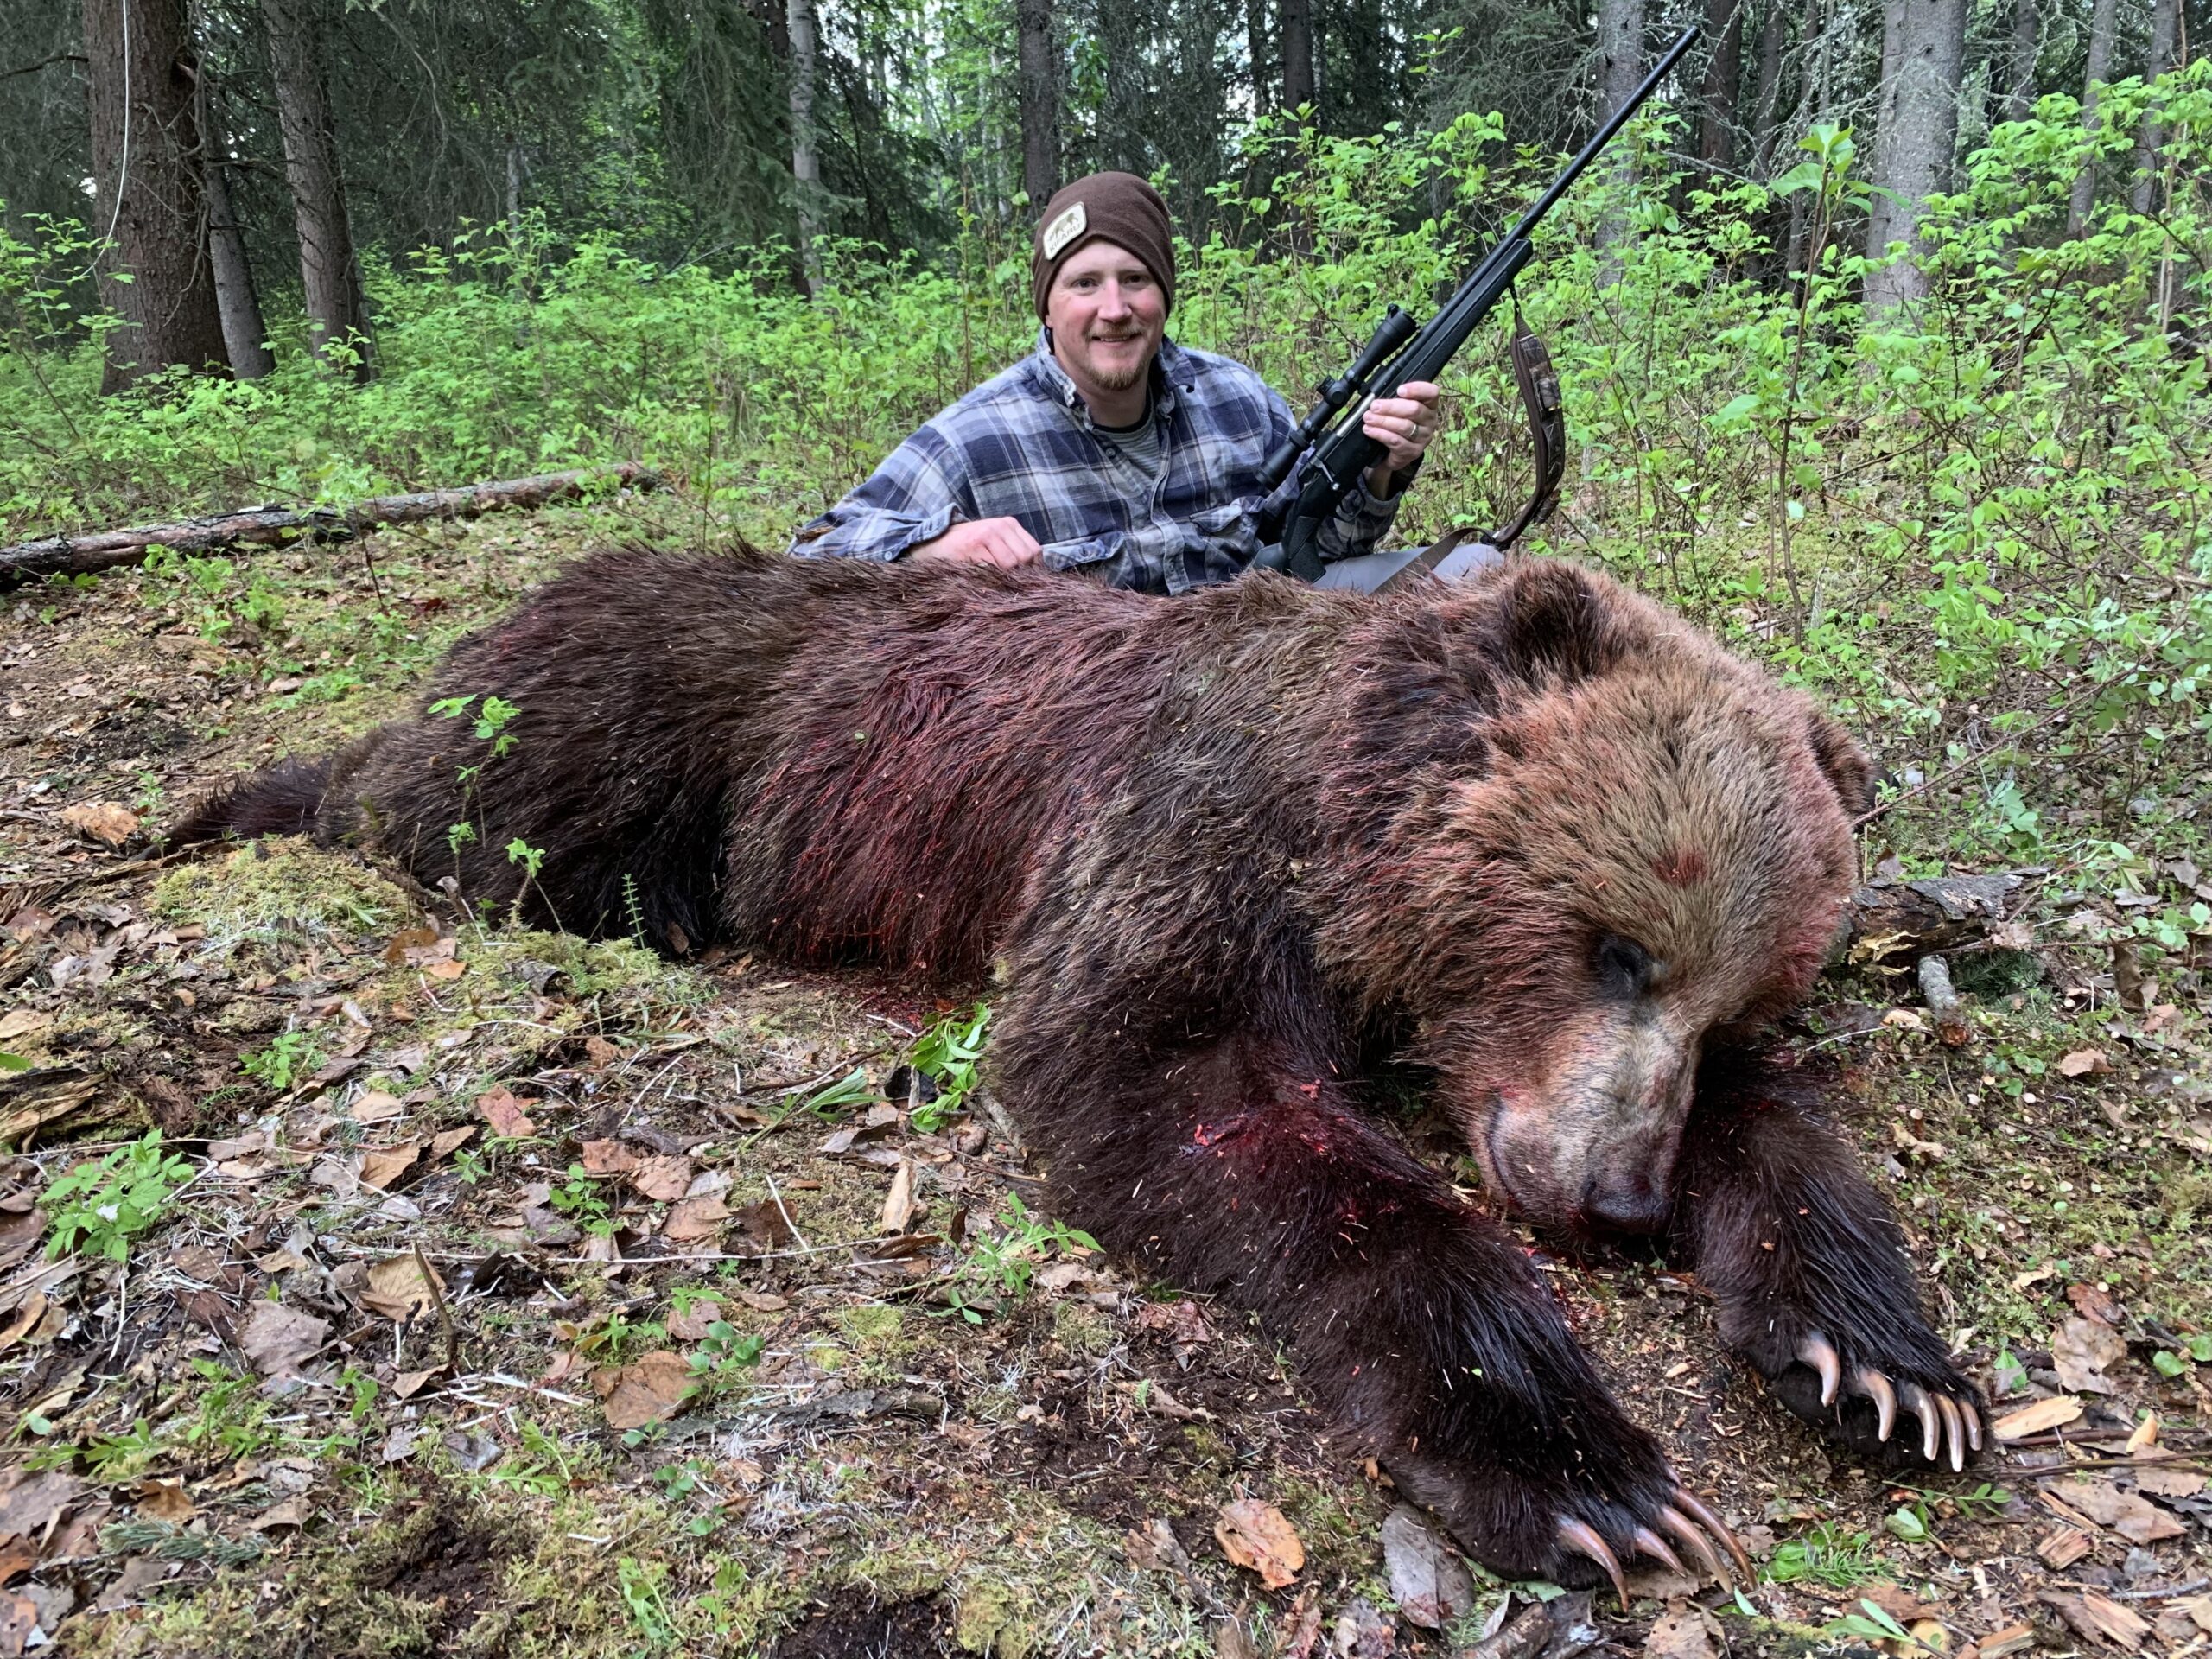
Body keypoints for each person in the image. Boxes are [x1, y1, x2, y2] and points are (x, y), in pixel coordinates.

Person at [788, 171, 1445, 594]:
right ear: (1047, 305)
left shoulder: (1237, 400)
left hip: (1259, 670)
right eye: (1083, 284)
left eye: (1135, 279)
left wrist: (1383, 469)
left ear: (1163, 294)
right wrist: (935, 545)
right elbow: (807, 560)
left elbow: (1321, 546)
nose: (1113, 309)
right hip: (1100, 726)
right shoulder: (978, 438)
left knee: (1473, 574)